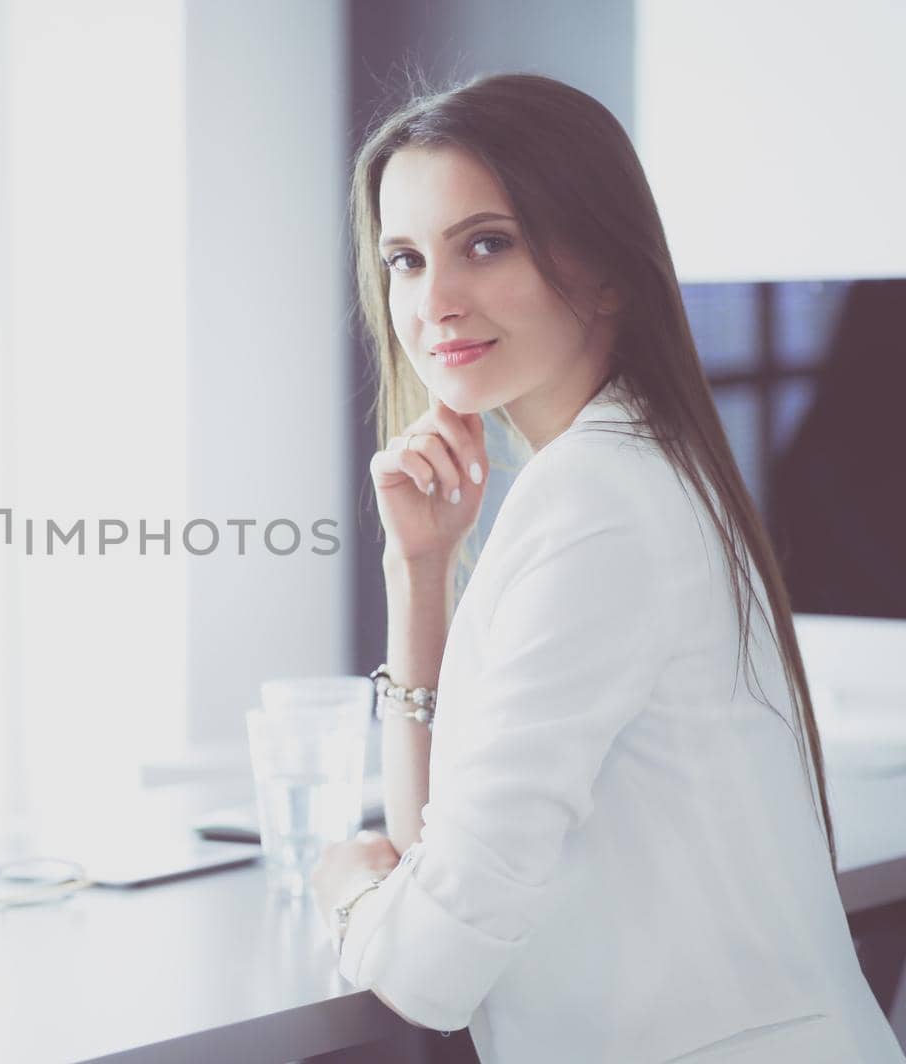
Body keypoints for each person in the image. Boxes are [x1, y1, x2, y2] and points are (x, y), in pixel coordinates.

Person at [309, 74, 904, 1062]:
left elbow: (428, 971)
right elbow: (439, 861)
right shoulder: (626, 471)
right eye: (404, 260)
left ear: (609, 267)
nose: (434, 301)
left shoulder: (594, 505)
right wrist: (418, 574)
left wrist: (349, 892)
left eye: (485, 243)